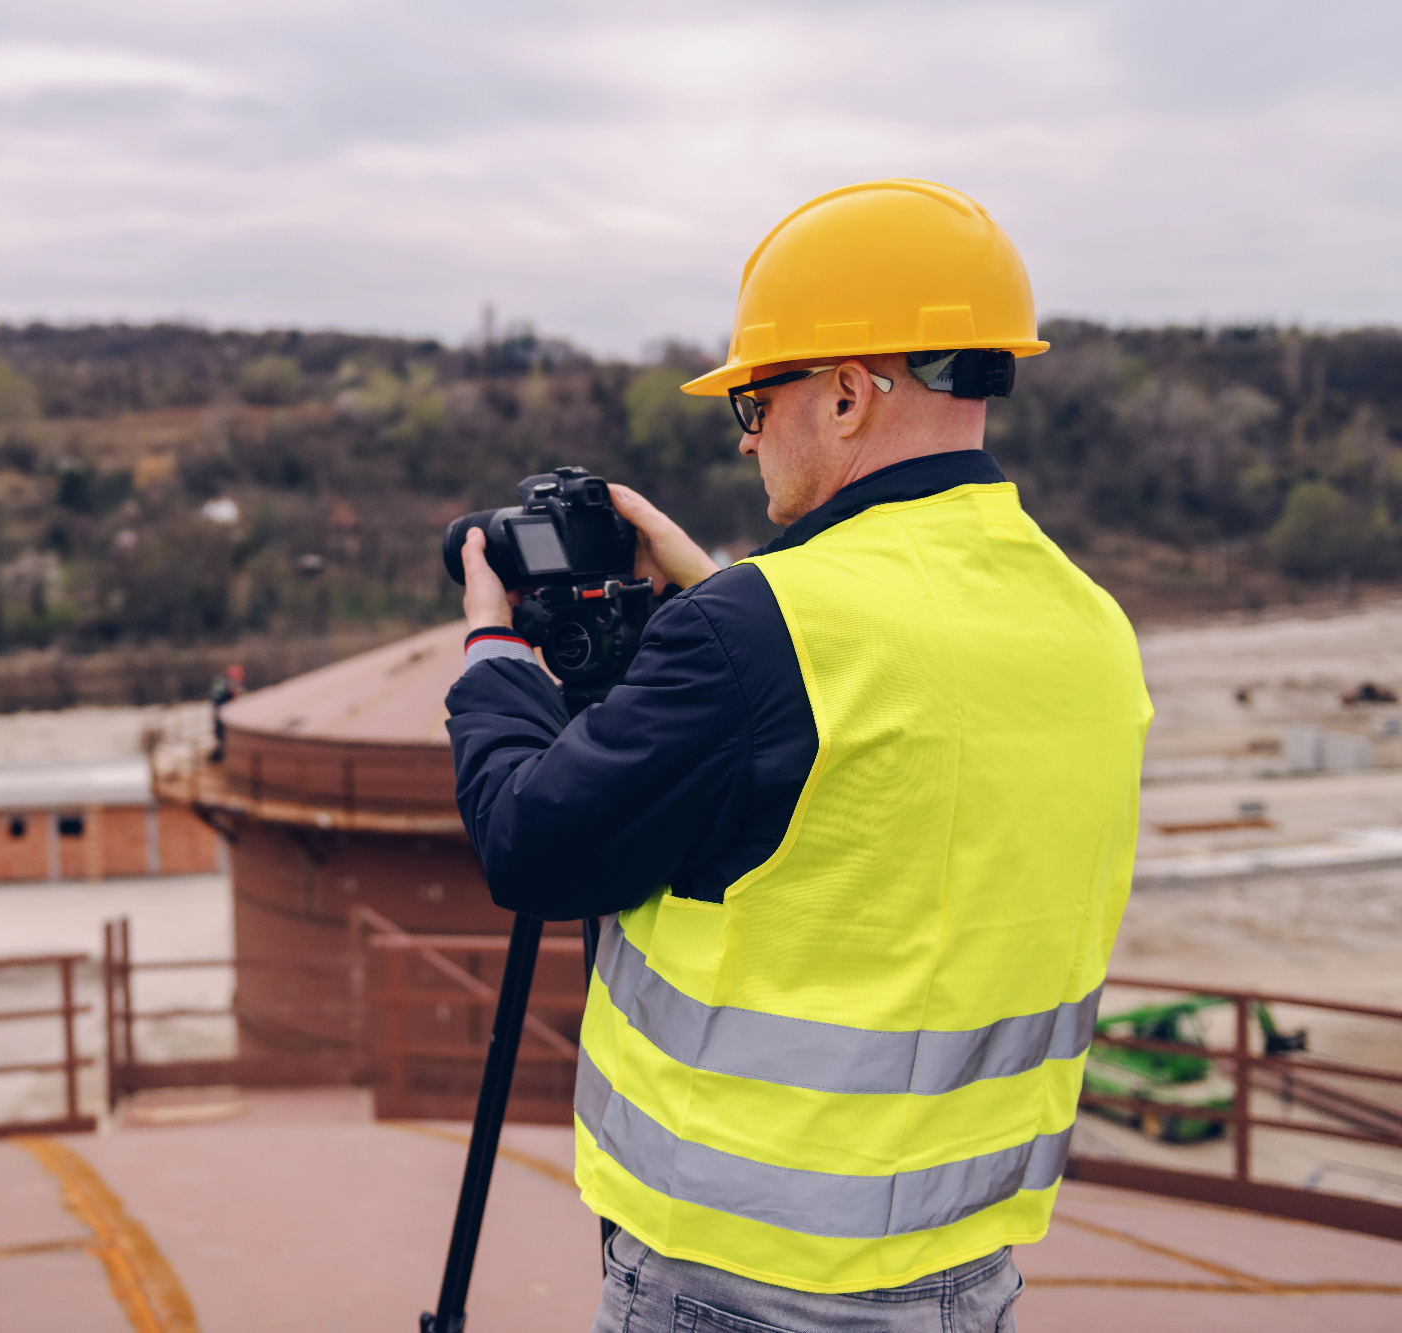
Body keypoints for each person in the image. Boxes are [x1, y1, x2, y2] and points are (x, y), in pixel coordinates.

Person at [445, 180, 1151, 1333]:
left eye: (754, 400)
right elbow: (880, 749)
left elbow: (529, 843)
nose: (750, 432)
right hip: (958, 1278)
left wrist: (489, 654)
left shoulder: (762, 634)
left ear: (842, 393)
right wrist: (723, 593)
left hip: (736, 1281)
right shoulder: (1087, 624)